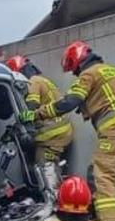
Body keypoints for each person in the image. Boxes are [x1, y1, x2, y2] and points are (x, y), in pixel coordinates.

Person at [48, 40, 115, 221]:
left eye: (74, 70)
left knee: (101, 172)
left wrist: (38, 113)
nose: (75, 74)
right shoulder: (113, 71)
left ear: (77, 61)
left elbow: (68, 102)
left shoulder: (88, 74)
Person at [8, 55, 70, 197]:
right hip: (59, 130)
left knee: (45, 167)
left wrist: (23, 121)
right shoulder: (43, 80)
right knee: (51, 168)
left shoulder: (33, 82)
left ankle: (53, 200)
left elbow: (32, 104)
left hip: (52, 133)